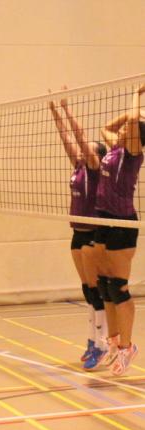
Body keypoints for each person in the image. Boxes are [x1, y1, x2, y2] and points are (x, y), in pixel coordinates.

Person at [48, 91, 108, 370]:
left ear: (98, 156)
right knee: (86, 289)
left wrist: (67, 108)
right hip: (78, 231)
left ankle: (102, 344)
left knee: (96, 290)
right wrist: (54, 111)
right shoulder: (79, 166)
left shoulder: (95, 168)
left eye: (89, 149)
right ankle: (92, 340)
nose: (84, 150)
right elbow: (66, 138)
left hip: (94, 232)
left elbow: (80, 137)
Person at [93, 83, 145, 376]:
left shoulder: (133, 153)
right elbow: (106, 127)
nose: (124, 128)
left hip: (122, 222)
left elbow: (135, 121)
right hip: (104, 219)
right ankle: (113, 341)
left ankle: (127, 347)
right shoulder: (115, 147)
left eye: (130, 128)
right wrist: (129, 117)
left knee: (118, 287)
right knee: (103, 284)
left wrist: (137, 94)